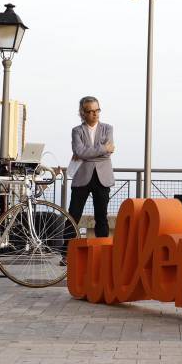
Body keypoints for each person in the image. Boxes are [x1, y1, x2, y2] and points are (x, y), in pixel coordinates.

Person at [63, 96, 115, 260]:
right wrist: (101, 149)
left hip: (102, 177)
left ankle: (104, 252)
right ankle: (66, 253)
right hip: (82, 177)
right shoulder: (77, 131)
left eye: (97, 110)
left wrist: (88, 153)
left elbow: (107, 152)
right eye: (90, 111)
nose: (95, 114)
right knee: (73, 215)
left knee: (102, 216)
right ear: (82, 113)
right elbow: (79, 152)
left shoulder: (108, 128)